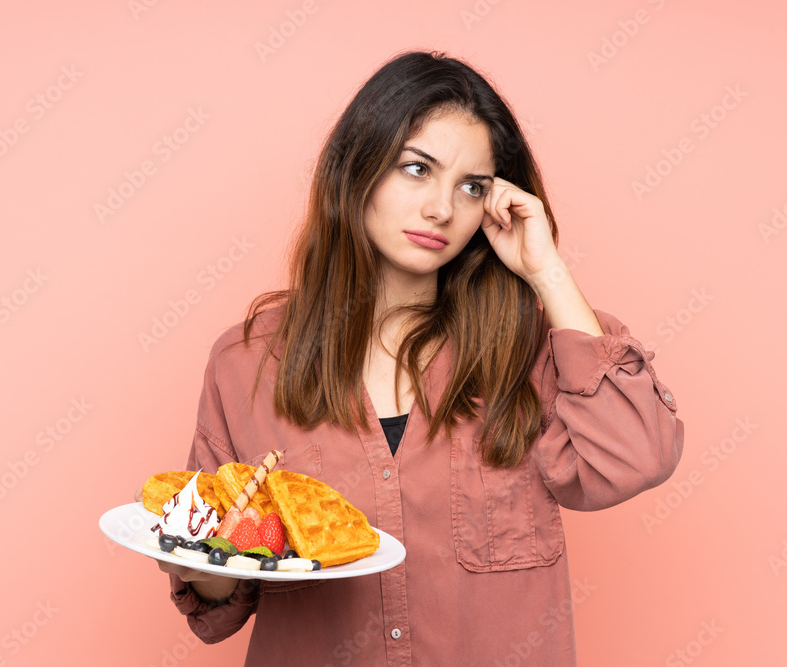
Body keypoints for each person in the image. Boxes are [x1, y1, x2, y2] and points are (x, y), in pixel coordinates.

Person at [152, 49, 684, 666]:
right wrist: (196, 556)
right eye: (415, 169)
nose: (441, 209)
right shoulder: (247, 362)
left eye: (471, 186)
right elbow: (222, 602)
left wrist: (548, 272)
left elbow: (636, 456)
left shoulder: (530, 351)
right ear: (358, 169)